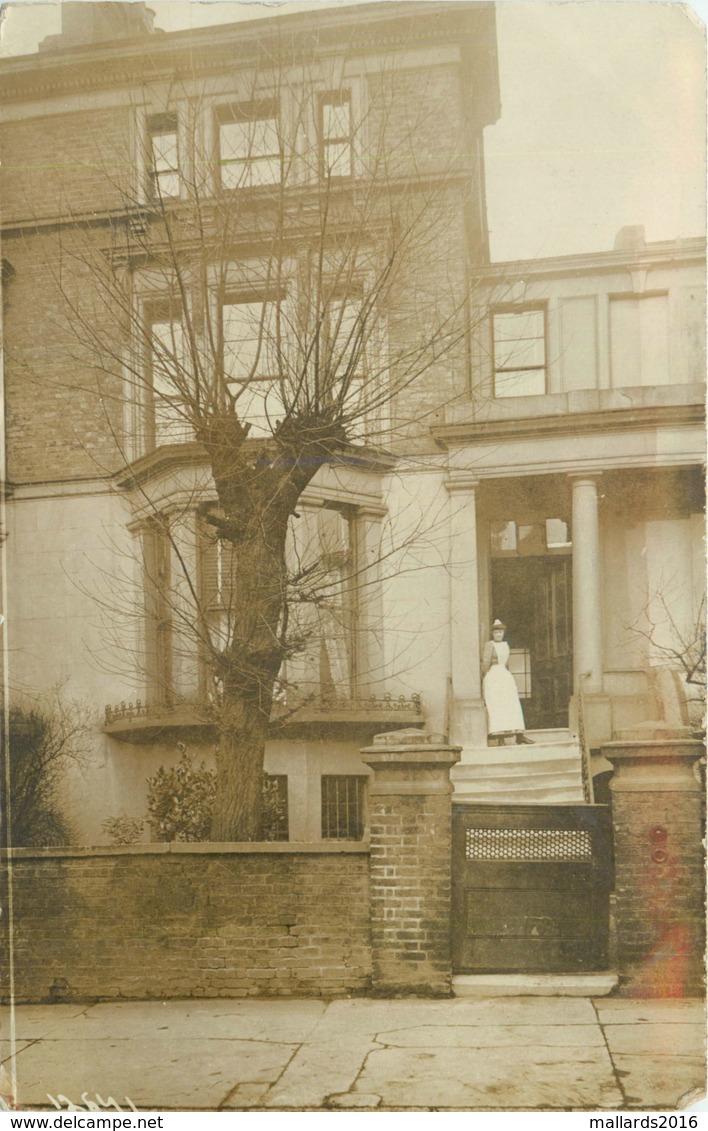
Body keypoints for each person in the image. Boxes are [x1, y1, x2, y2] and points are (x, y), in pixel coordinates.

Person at [481, 619, 534, 745]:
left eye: (500, 632)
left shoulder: (506, 645)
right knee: (497, 705)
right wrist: (486, 677)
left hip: (504, 675)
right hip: (493, 676)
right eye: (496, 632)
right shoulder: (489, 645)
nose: (498, 635)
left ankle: (519, 735)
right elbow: (485, 664)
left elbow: (506, 663)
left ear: (503, 633)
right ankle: (500, 738)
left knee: (511, 704)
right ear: (492, 634)